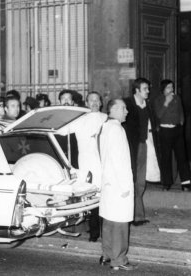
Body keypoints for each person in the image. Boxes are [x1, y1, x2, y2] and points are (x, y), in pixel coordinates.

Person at [56, 91, 107, 242]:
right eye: (91, 100)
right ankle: (94, 232)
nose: (94, 103)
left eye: (97, 100)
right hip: (87, 165)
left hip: (103, 163)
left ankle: (105, 231)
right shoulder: (79, 119)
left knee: (104, 196)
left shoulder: (106, 118)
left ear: (101, 102)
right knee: (90, 196)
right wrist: (64, 112)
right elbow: (61, 131)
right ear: (87, 102)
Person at [98, 99, 136, 271]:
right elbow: (119, 160)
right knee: (120, 223)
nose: (126, 111)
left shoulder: (105, 128)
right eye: (123, 108)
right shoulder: (117, 129)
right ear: (113, 109)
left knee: (109, 221)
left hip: (108, 182)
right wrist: (125, 187)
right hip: (119, 183)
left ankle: (107, 255)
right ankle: (119, 259)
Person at [124, 78, 161, 226]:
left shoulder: (148, 105)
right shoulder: (126, 103)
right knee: (131, 180)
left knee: (140, 181)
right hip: (130, 147)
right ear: (137, 90)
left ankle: (138, 216)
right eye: (145, 89)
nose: (148, 91)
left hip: (143, 145)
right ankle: (130, 215)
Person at [153, 79, 191, 191]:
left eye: (172, 87)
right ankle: (167, 183)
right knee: (166, 157)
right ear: (163, 89)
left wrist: (181, 122)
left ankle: (186, 183)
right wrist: (166, 102)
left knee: (182, 156)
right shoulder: (158, 100)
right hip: (165, 131)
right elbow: (159, 115)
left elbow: (181, 111)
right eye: (168, 87)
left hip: (177, 130)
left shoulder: (177, 98)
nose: (171, 89)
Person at [56, 89, 79, 168]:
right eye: (63, 98)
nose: (66, 101)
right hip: (59, 157)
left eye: (68, 98)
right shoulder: (54, 118)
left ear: (72, 102)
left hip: (75, 158)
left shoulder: (78, 118)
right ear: (59, 102)